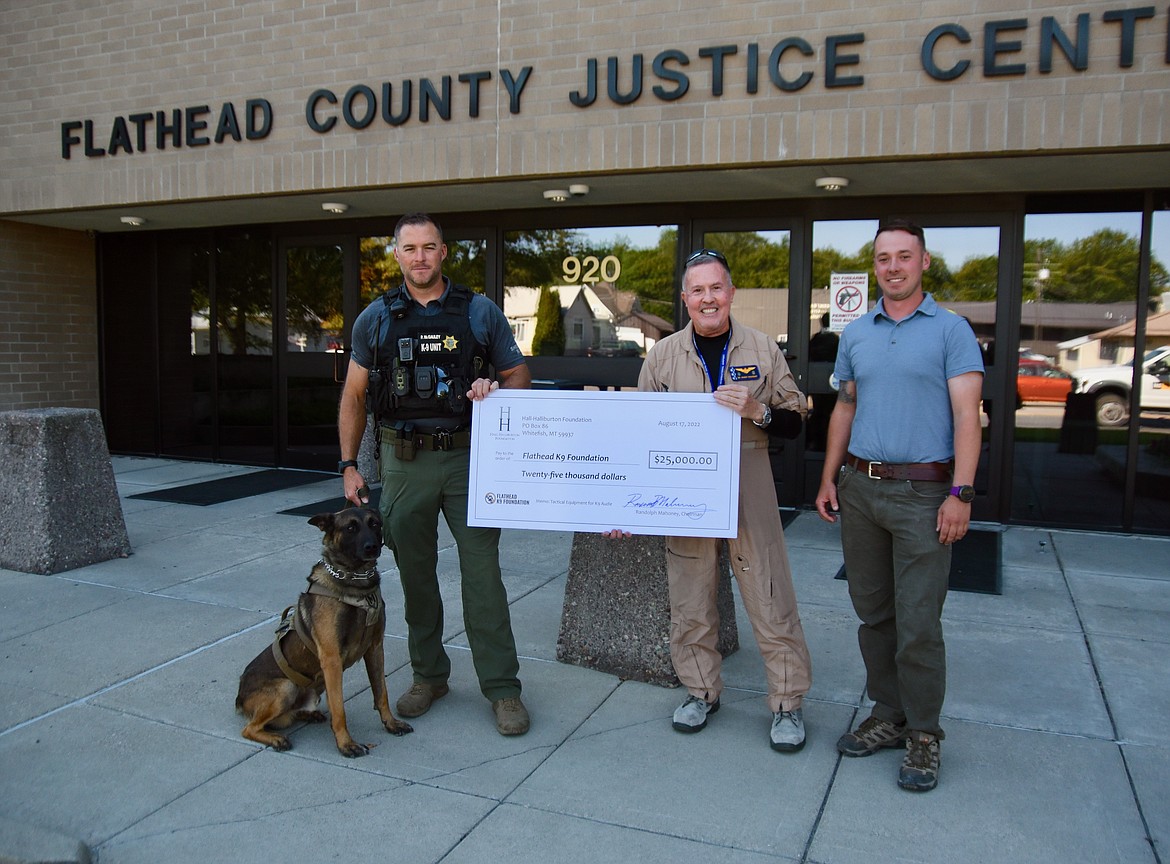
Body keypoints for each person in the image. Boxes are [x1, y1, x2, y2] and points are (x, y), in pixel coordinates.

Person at [607, 248, 813, 752]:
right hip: (684, 490)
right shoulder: (662, 357)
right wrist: (625, 505)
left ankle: (787, 701)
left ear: (731, 293)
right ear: (685, 299)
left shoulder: (763, 349)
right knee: (691, 596)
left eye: (716, 288)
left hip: (749, 480)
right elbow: (640, 437)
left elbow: (796, 420)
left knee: (769, 592)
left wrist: (758, 410)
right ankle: (700, 691)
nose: (708, 298)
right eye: (697, 290)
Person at [338, 212, 533, 736]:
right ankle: (429, 675)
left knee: (483, 579)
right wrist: (350, 465)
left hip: (469, 459)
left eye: (429, 247)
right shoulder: (375, 319)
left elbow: (519, 375)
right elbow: (354, 395)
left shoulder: (479, 313)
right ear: (396, 255)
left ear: (444, 252)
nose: (420, 257)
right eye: (409, 248)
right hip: (402, 463)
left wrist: (495, 391)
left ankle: (503, 688)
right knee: (416, 579)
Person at [815, 219, 984, 792]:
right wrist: (829, 477)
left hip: (924, 494)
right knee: (874, 614)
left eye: (903, 256)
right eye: (883, 258)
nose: (892, 267)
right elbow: (844, 407)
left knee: (918, 623)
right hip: (861, 489)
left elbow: (968, 417)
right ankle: (888, 714)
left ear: (924, 262)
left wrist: (961, 492)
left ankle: (925, 735)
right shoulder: (857, 333)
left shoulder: (951, 331)